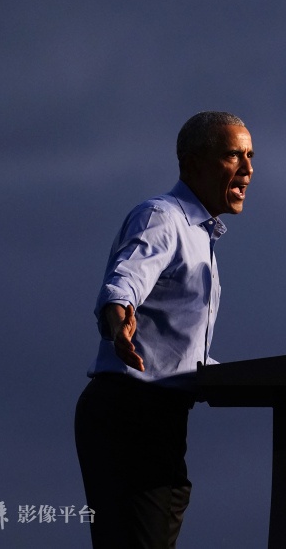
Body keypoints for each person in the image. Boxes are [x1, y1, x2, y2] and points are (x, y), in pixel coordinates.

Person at [75, 111, 254, 548]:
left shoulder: (202, 237)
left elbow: (185, 349)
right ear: (192, 163)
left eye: (250, 156)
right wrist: (118, 324)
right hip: (129, 413)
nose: (248, 169)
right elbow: (122, 285)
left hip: (163, 419)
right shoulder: (163, 217)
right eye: (234, 156)